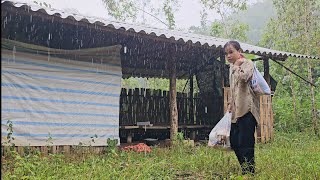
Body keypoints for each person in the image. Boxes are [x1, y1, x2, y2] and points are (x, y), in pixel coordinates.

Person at [224, 40, 260, 175]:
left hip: (248, 110)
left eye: (231, 52)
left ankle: (249, 172)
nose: (228, 56)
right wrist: (230, 104)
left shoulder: (248, 63)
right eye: (226, 53)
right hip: (235, 111)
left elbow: (244, 77)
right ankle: (245, 169)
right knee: (234, 142)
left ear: (239, 51)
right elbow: (234, 89)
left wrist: (236, 67)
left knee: (246, 143)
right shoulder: (232, 68)